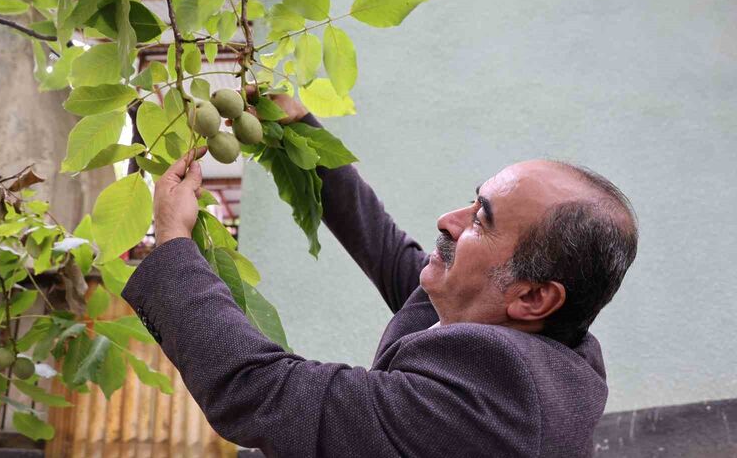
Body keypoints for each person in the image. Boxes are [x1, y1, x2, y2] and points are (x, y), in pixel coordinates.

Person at [122, 92, 639, 458]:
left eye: (482, 219)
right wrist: (300, 129)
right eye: (472, 199)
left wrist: (173, 244)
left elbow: (266, 394)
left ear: (532, 297)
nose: (448, 220)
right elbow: (391, 254)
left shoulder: (492, 406)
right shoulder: (529, 335)